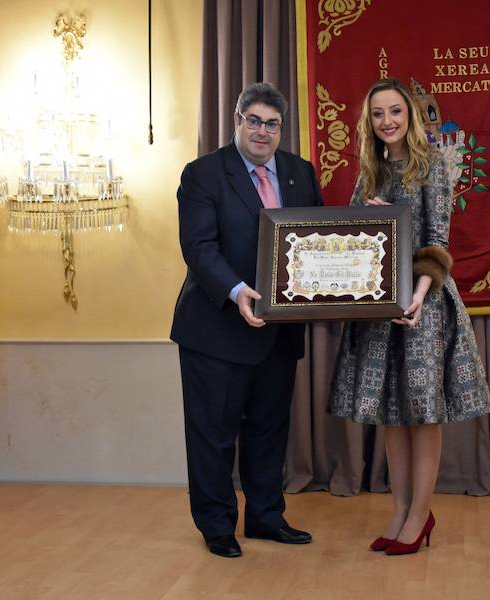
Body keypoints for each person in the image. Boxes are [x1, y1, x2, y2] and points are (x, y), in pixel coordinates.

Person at [328, 78, 490, 555]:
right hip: (380, 310)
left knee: (423, 415)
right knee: (392, 417)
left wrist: (418, 295)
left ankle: (420, 514)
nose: (387, 121)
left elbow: (438, 239)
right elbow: (353, 236)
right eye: (378, 114)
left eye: (395, 111)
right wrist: (373, 216)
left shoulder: (433, 165)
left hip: (423, 305)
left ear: (411, 114)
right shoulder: (370, 172)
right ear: (369, 121)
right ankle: (399, 511)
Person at [171, 82, 324, 558]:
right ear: (237, 120)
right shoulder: (203, 174)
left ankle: (265, 518)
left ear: (282, 129)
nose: (262, 131)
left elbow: (319, 238)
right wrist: (238, 292)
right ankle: (217, 526)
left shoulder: (300, 172)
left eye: (272, 124)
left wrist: (370, 220)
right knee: (213, 435)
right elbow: (199, 247)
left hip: (278, 332)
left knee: (268, 430)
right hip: (217, 327)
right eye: (253, 120)